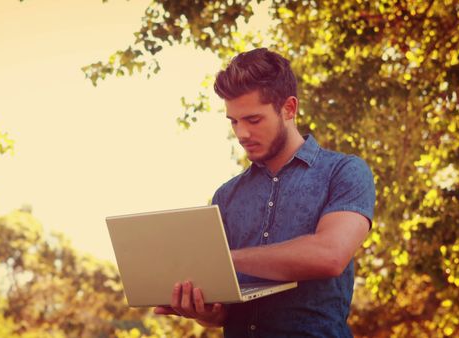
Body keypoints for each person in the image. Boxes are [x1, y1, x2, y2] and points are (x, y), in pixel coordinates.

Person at [153, 48, 376, 337]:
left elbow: (330, 255)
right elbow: (223, 311)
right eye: (234, 121)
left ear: (289, 108)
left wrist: (223, 258)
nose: (242, 133)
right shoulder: (225, 197)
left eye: (253, 120)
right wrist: (207, 312)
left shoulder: (344, 172)